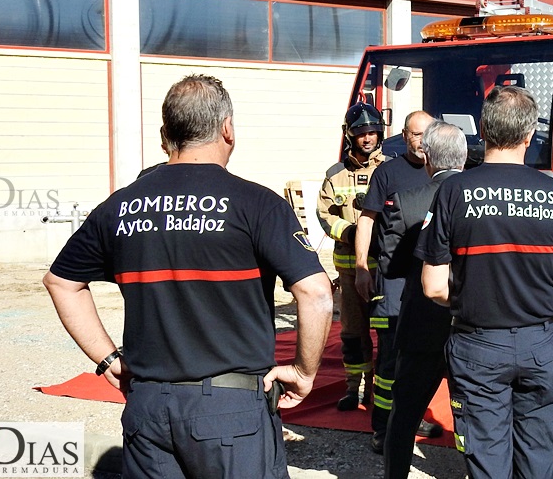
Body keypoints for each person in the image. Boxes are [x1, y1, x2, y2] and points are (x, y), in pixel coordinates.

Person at [42, 74, 334, 478]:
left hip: (149, 409)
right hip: (230, 416)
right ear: (227, 129)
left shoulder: (120, 207)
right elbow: (316, 293)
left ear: (166, 136)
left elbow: (61, 281)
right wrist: (303, 371)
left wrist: (108, 359)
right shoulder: (256, 204)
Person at [418, 86, 553, 479]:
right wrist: (536, 296)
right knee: (537, 458)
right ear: (530, 137)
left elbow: (434, 287)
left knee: (486, 460)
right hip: (540, 343)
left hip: (478, 344)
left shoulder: (453, 191)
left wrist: (478, 297)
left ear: (482, 129)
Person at [379, 121, 467, 479]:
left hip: (421, 324)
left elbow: (390, 264)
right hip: (472, 323)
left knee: (404, 415)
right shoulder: (480, 197)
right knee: (477, 416)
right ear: (464, 158)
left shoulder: (407, 201)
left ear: (427, 157)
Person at [354, 110, 440, 453]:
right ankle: (383, 429)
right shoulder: (387, 172)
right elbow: (367, 220)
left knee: (423, 357)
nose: (421, 141)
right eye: (416, 135)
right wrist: (362, 266)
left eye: (427, 134)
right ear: (404, 136)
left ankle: (411, 415)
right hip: (392, 282)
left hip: (429, 281)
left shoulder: (446, 175)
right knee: (390, 358)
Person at [317, 102, 387, 412]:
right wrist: (350, 233)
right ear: (350, 135)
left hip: (384, 270)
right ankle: (355, 389)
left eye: (373, 132)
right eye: (361, 133)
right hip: (348, 271)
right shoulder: (335, 175)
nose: (368, 138)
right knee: (353, 335)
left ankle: (385, 391)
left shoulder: (390, 169)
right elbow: (324, 215)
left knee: (387, 333)